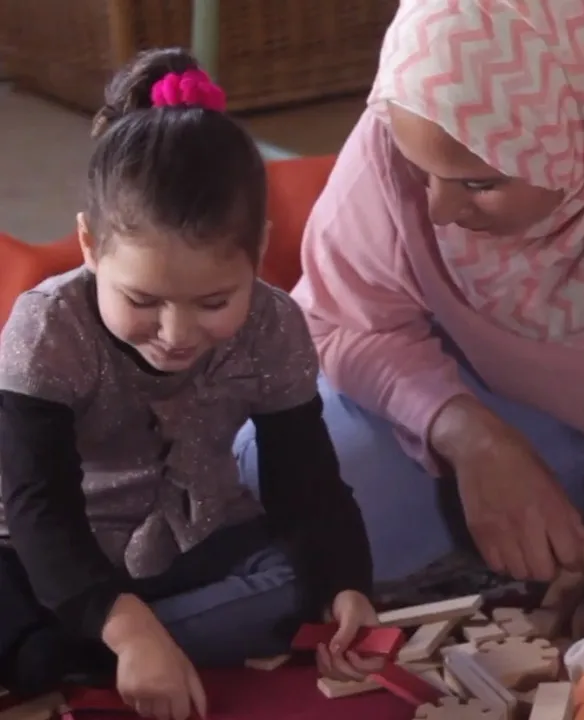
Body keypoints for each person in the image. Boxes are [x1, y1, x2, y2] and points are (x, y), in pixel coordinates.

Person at [232, 0, 584, 592]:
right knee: (275, 468)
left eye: (480, 184)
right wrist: (469, 437)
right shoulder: (418, 101)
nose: (438, 212)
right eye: (424, 173)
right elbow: (342, 319)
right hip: (502, 404)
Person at [0, 48, 381, 715]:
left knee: (304, 581)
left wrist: (343, 586)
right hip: (44, 556)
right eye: (142, 300)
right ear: (89, 247)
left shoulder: (273, 325)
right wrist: (130, 627)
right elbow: (41, 515)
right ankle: (109, 650)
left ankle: (102, 659)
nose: (176, 333)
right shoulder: (47, 328)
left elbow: (307, 484)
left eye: (212, 303)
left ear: (259, 252)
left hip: (189, 539)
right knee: (28, 636)